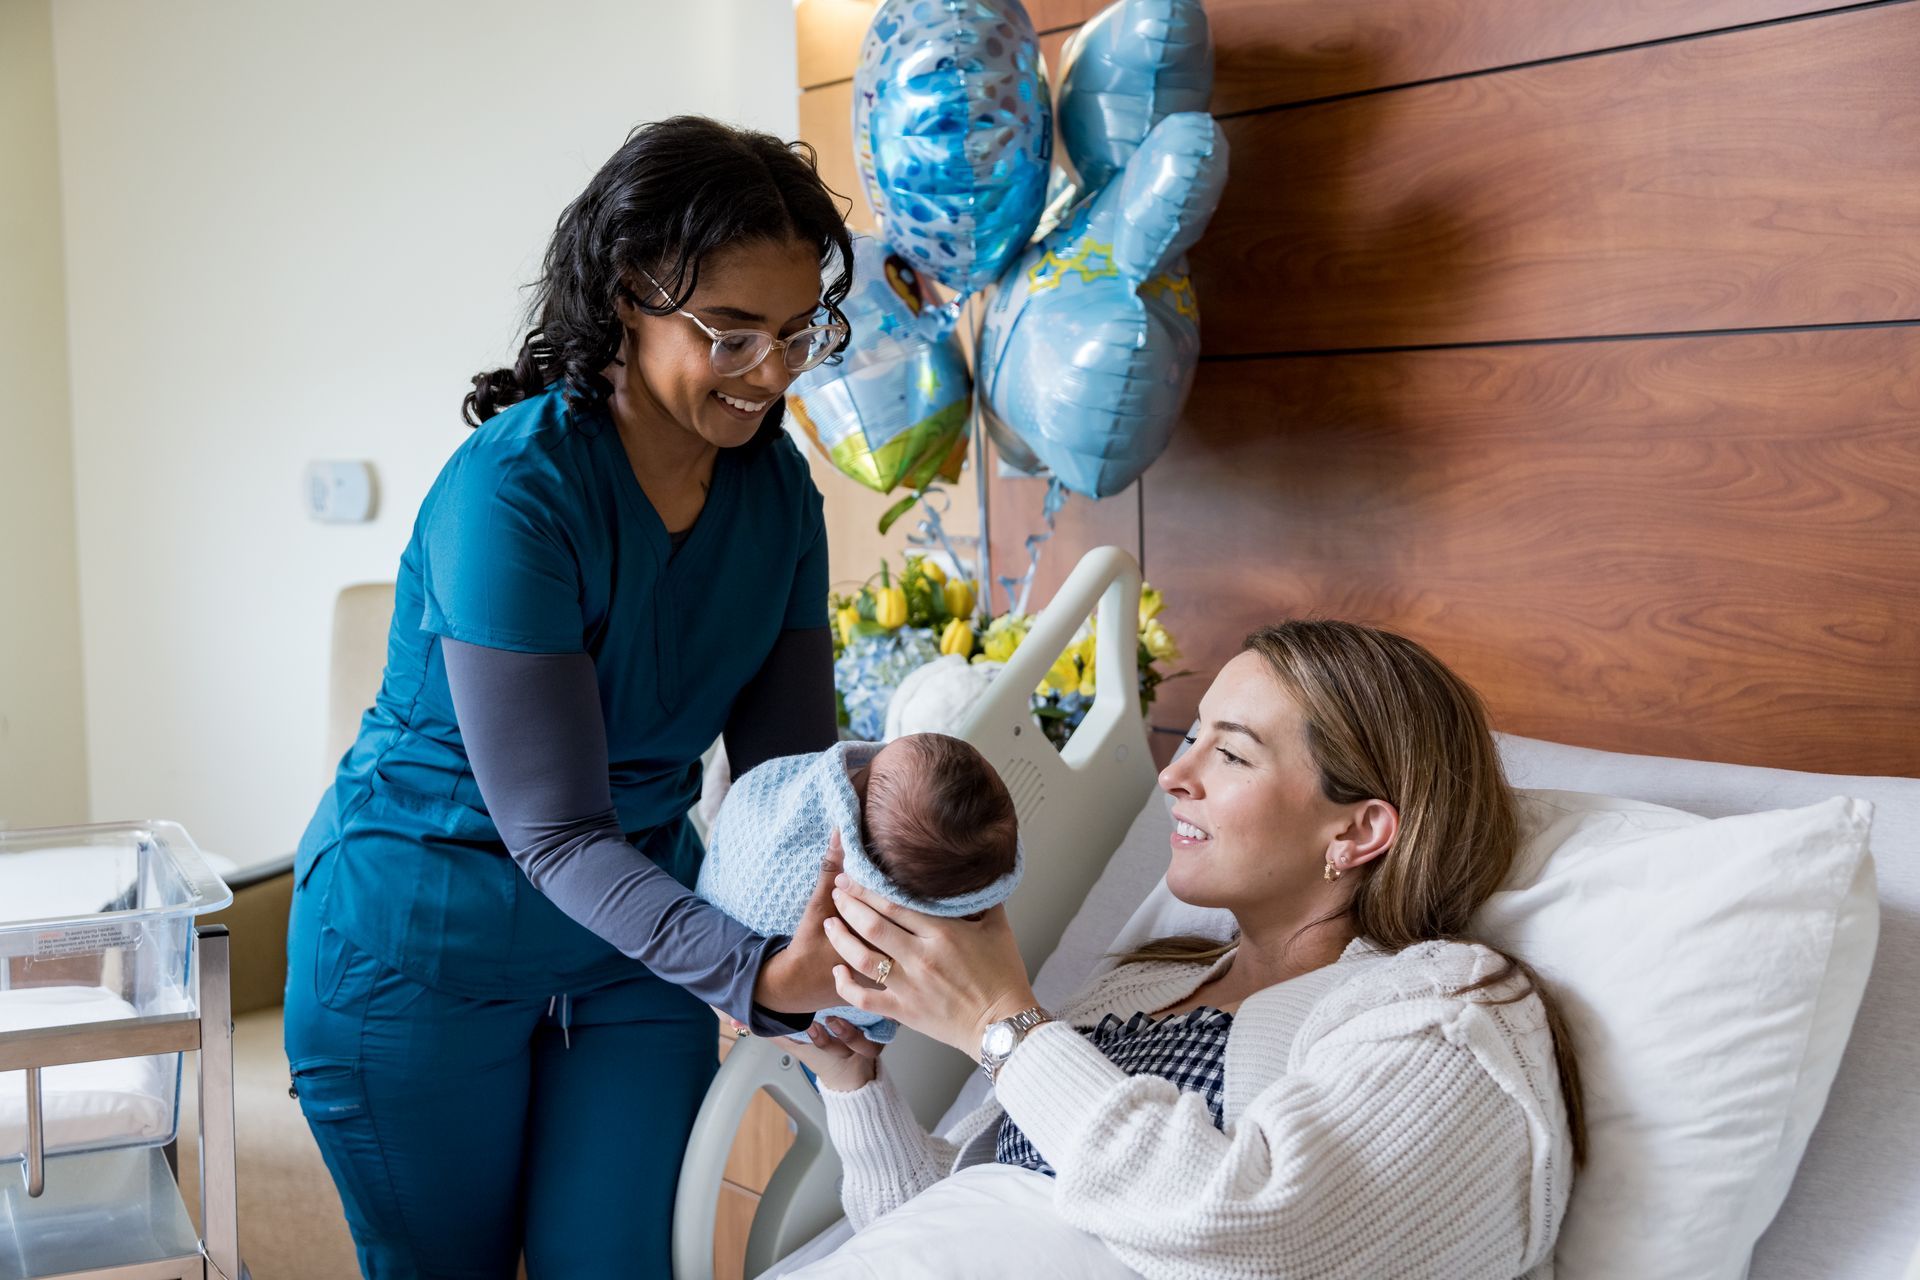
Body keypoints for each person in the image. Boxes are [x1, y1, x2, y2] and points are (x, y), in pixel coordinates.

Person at [283, 116, 857, 1278]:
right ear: (633, 291)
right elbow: (551, 828)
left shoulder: (779, 492)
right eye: (734, 335)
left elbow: (788, 776)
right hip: (420, 940)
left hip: (630, 944)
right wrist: (754, 973)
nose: (776, 374)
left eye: (801, 333)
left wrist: (859, 911)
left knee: (624, 1259)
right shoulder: (514, 494)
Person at [789, 620, 1586, 1279]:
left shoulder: (1449, 1017)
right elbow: (946, 1225)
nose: (1173, 773)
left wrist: (1003, 1028)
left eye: (1231, 753)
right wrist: (855, 1083)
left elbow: (1263, 1238)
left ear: (1358, 829)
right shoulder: (1139, 990)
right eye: (1193, 737)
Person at [697, 733, 1023, 1043]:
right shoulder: (857, 911)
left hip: (727, 956)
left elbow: (751, 790)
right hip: (762, 995)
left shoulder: (863, 917)